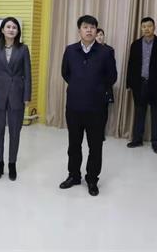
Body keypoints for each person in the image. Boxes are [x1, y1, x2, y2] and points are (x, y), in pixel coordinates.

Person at [59, 15, 117, 196]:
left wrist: (95, 88)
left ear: (96, 30)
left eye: (92, 27)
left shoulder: (106, 52)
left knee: (95, 146)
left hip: (96, 108)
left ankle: (92, 179)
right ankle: (74, 175)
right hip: (74, 106)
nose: (89, 30)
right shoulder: (70, 50)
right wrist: (79, 85)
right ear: (79, 30)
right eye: (85, 27)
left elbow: (112, 77)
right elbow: (65, 73)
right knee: (74, 145)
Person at [0, 17, 31, 181]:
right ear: (2, 30)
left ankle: (12, 164)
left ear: (18, 31)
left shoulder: (23, 49)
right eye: (8, 27)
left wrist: (27, 96)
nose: (11, 29)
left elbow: (28, 74)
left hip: (17, 94)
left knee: (15, 132)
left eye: (14, 27)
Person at [126, 17, 157, 154]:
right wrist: (129, 83)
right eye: (144, 26)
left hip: (156, 85)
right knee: (139, 112)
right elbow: (131, 65)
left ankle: (155, 142)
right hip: (139, 84)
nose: (147, 29)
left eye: (149, 26)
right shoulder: (135, 44)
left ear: (154, 27)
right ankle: (137, 139)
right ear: (141, 28)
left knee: (156, 114)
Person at [95, 28, 116, 141]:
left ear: (104, 36)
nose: (99, 37)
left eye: (101, 35)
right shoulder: (89, 49)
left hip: (104, 85)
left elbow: (112, 70)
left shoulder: (109, 50)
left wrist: (107, 83)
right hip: (91, 86)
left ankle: (101, 132)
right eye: (97, 35)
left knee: (103, 110)